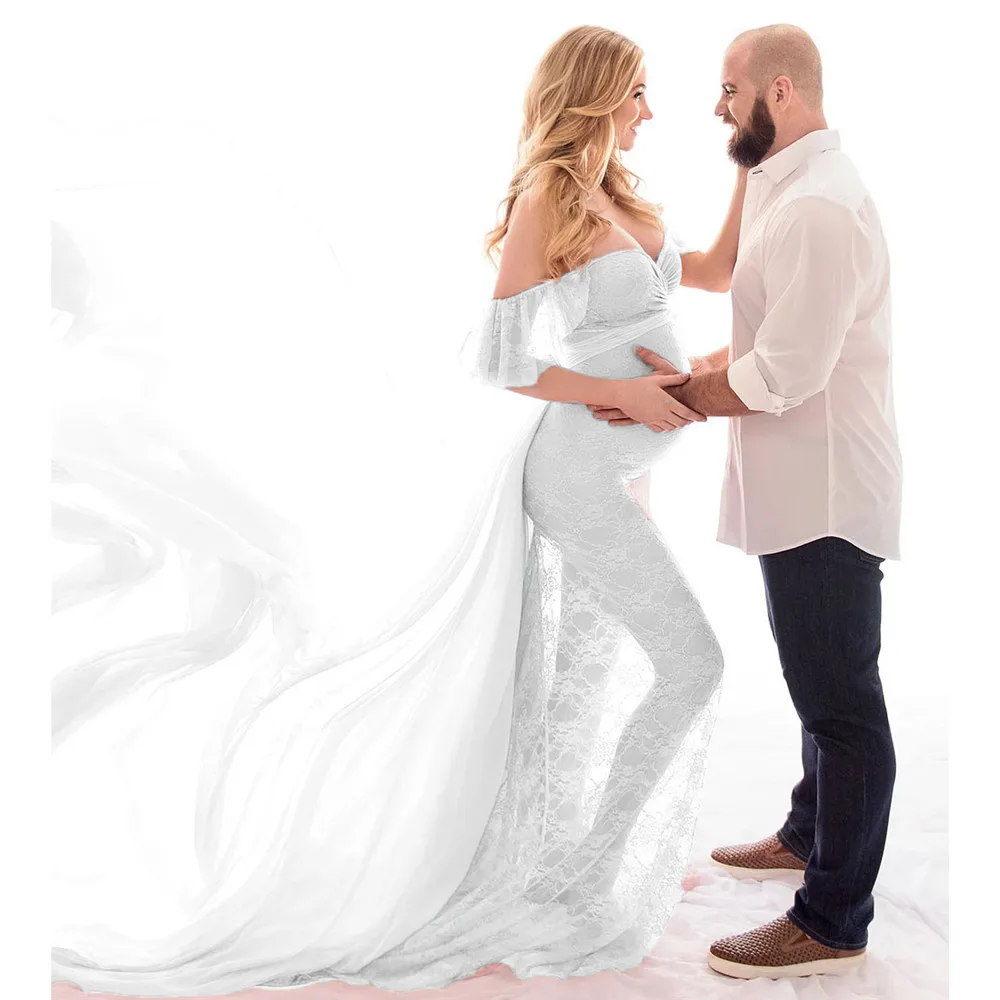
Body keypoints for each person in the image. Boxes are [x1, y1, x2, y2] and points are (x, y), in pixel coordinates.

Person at [590, 23, 903, 980]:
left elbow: (786, 373)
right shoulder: (785, 186)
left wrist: (671, 397)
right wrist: (690, 369)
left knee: (841, 705)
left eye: (729, 90)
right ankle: (811, 834)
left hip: (826, 493)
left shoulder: (819, 208)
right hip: (796, 485)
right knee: (817, 679)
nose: (716, 108)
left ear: (781, 92)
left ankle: (832, 921)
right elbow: (768, 334)